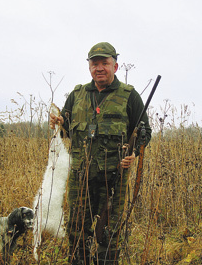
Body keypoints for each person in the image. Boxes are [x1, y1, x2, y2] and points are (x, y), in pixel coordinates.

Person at [49, 42, 152, 264]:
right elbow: (67, 131)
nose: (99, 68)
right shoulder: (77, 95)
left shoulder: (129, 96)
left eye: (104, 63)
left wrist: (134, 153)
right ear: (89, 67)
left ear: (115, 66)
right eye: (95, 63)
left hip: (112, 177)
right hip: (80, 178)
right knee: (77, 230)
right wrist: (59, 123)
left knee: (109, 233)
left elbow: (144, 133)